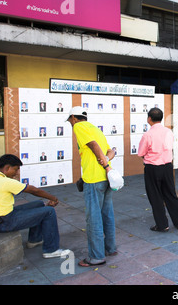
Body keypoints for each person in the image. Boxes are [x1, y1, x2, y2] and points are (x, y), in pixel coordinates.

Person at [67, 106, 117, 267]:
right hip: (105, 178)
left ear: (74, 118)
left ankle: (96, 256)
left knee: (93, 218)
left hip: (93, 180)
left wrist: (102, 161)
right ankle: (110, 248)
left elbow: (93, 145)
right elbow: (110, 151)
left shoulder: (79, 127)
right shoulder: (95, 128)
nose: (70, 123)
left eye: (70, 120)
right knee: (107, 214)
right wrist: (106, 162)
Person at [0, 154, 71, 259]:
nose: (17, 173)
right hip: (5, 222)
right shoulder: (5, 182)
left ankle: (34, 240)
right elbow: (33, 190)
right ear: (7, 168)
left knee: (39, 204)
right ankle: (51, 249)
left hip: (1, 218)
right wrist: (53, 198)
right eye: (16, 170)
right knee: (49, 211)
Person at [138, 107, 178, 232]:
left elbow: (141, 152)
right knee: (170, 194)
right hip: (167, 166)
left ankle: (163, 225)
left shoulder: (148, 135)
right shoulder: (169, 132)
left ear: (149, 119)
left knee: (155, 196)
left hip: (152, 167)